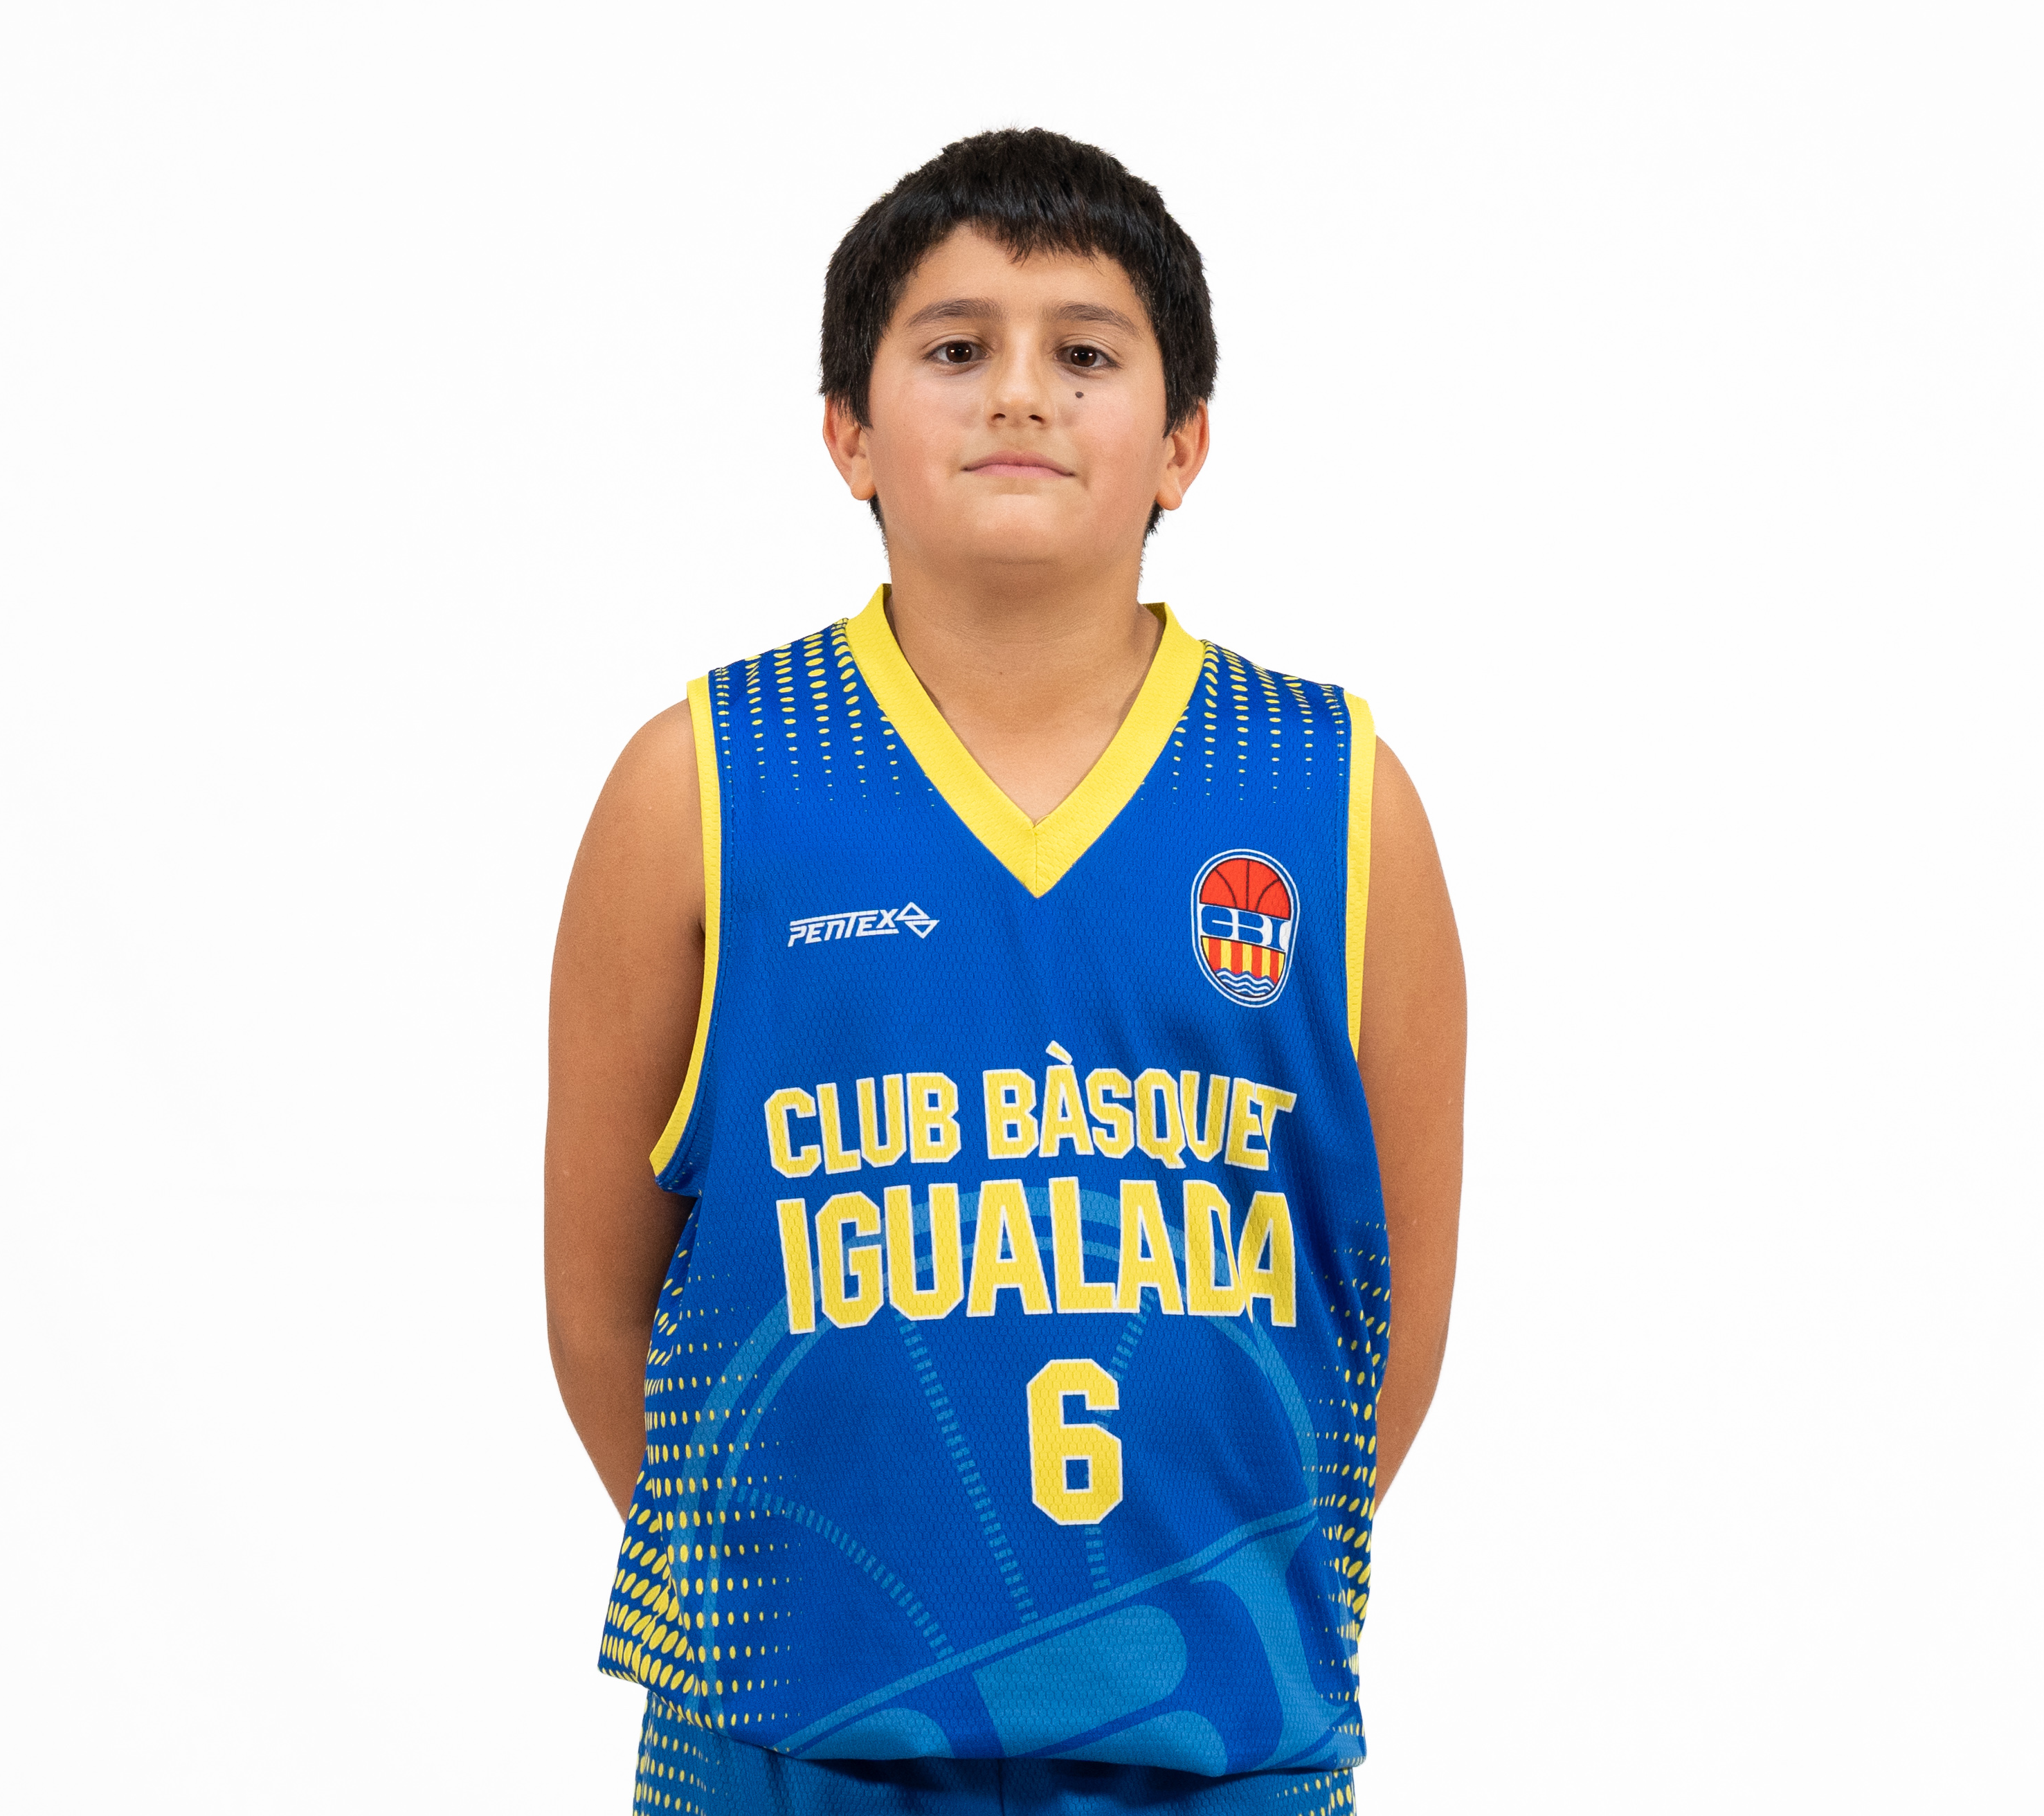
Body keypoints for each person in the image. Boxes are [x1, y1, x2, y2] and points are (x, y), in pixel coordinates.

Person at [546, 127, 1464, 1815]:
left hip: (1221, 1747)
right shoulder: (706, 783)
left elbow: (1381, 1306)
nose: (1022, 393)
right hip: (792, 1746)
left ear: (1184, 442)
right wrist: (803, 1600)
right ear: (848, 429)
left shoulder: (1332, 795)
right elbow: (598, 1309)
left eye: (1087, 354)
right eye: (957, 347)